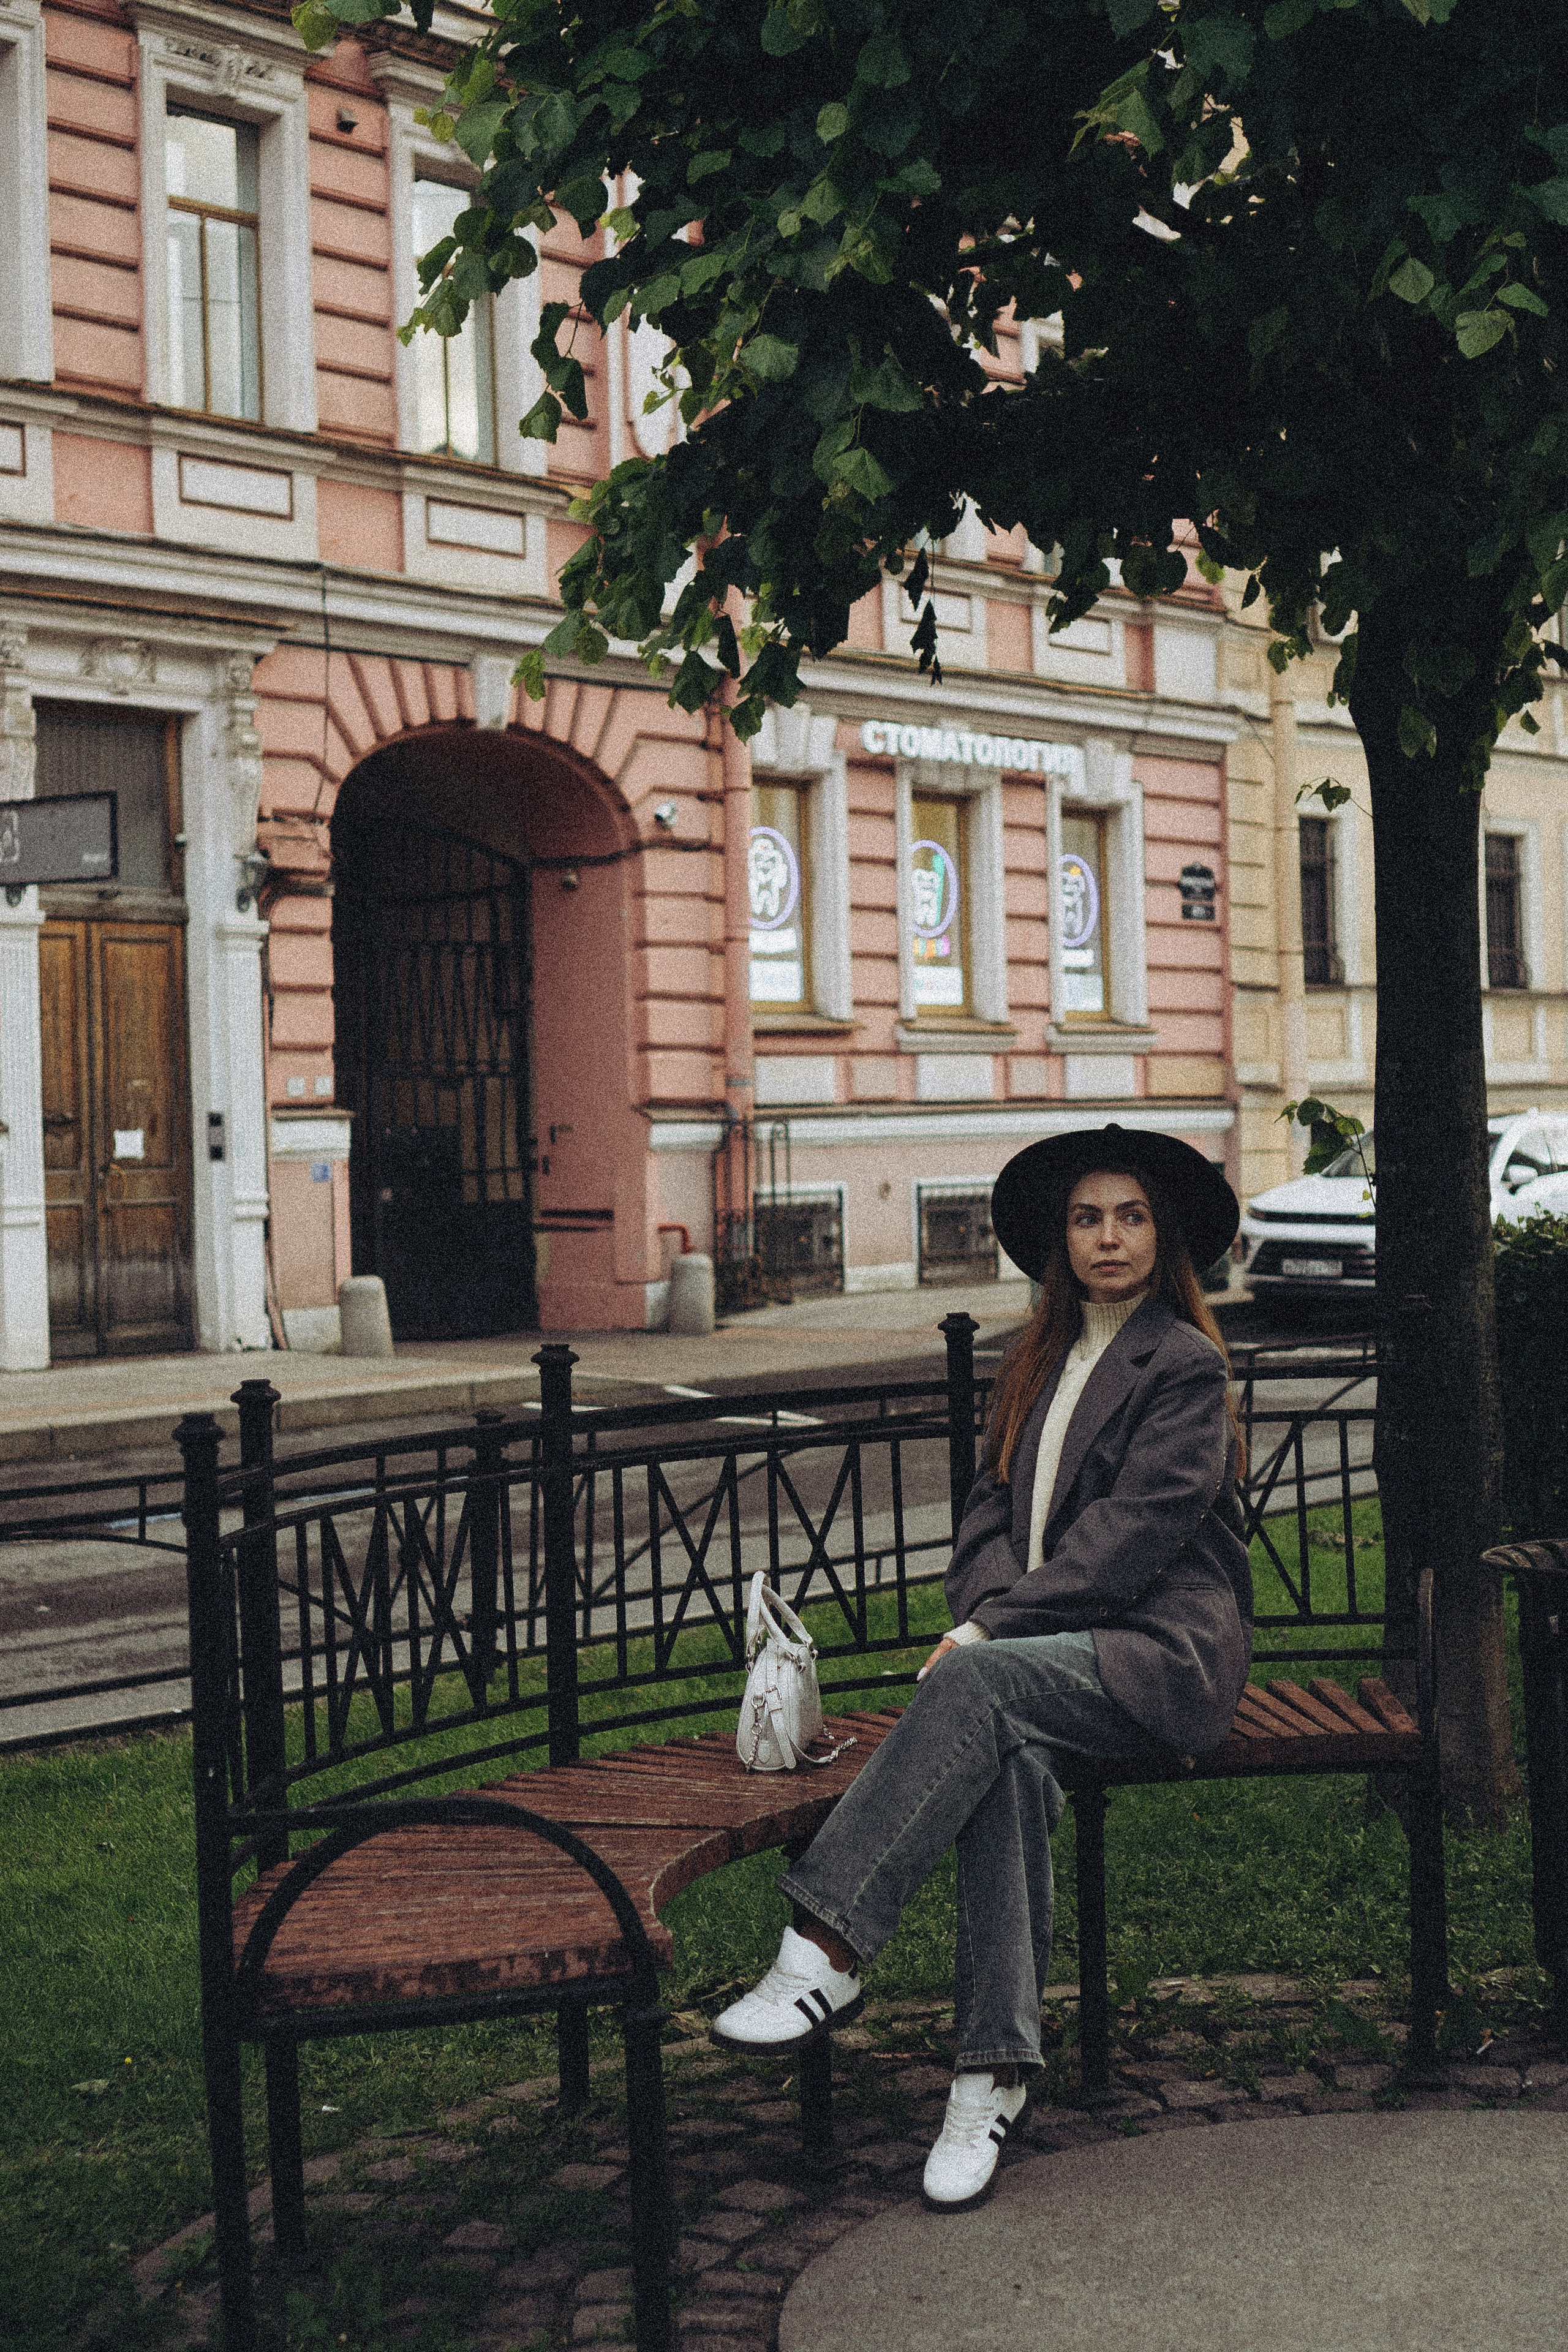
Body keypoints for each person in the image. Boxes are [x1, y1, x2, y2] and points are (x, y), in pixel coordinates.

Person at [712, 1123, 1253, 2211]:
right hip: (1044, 1656)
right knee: (1001, 1763)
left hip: (1157, 1653)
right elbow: (988, 1517)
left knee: (975, 1685)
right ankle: (991, 2074)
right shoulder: (1041, 1362)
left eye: (1132, 1216)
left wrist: (989, 1632)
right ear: (1062, 1238)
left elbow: (1135, 1539)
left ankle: (827, 1943)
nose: (1109, 1238)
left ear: (1167, 1237)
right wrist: (991, 1611)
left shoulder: (1184, 1365)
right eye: (1089, 1218)